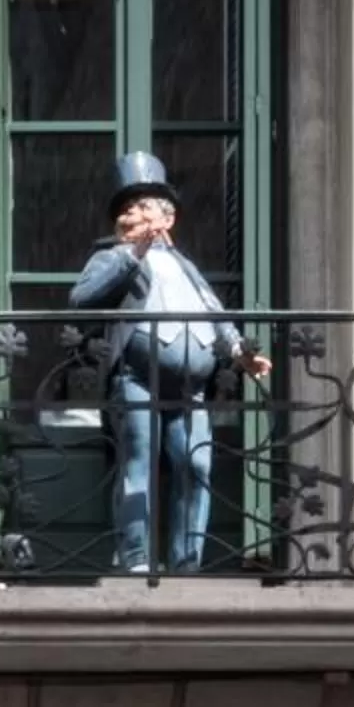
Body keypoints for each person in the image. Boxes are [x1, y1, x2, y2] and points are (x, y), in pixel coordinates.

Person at [68, 153, 269, 575]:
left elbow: (213, 313)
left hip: (191, 388)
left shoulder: (186, 267)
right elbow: (82, 299)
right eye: (127, 209)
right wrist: (131, 254)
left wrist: (240, 353)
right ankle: (135, 555)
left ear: (167, 218)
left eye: (142, 206)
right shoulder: (113, 256)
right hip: (138, 377)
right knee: (137, 462)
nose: (132, 213)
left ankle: (187, 561)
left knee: (195, 465)